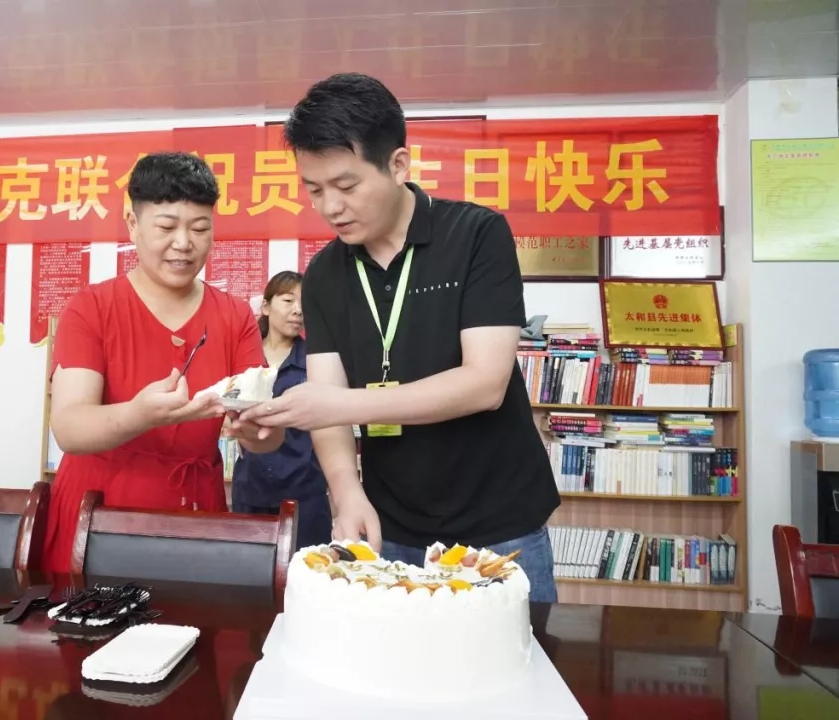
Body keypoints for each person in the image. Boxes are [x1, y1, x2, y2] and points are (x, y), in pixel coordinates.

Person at [237, 73, 561, 602]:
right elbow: (328, 406)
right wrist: (346, 491)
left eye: (346, 186)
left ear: (398, 165)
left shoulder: (476, 235)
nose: (330, 207)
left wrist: (342, 404)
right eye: (314, 190)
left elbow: (485, 384)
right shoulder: (325, 275)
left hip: (501, 526)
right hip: (389, 525)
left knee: (516, 651)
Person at [42, 152, 285, 573]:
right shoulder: (92, 308)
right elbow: (69, 428)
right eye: (167, 227)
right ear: (133, 225)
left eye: (200, 228)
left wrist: (257, 431)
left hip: (196, 515)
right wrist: (140, 415)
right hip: (98, 518)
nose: (184, 243)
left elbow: (266, 436)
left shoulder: (234, 315)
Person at [230, 271, 333, 548]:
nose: (298, 311)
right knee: (249, 568)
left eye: (304, 303)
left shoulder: (317, 360)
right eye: (288, 301)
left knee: (307, 568)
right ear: (266, 306)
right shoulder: (243, 356)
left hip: (305, 492)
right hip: (251, 489)